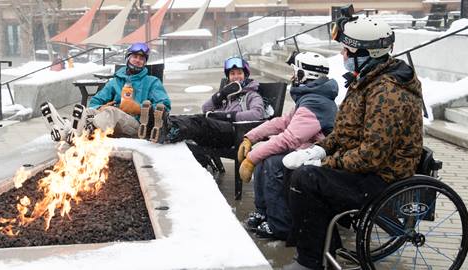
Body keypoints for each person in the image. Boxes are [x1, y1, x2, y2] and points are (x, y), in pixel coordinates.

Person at [282, 11, 424, 270]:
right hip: (368, 171)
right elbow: (345, 133)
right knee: (297, 172)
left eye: (347, 51)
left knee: (306, 180)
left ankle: (310, 262)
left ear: (367, 54)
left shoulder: (387, 92)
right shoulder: (368, 81)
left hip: (384, 179)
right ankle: (325, 249)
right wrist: (317, 150)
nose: (343, 56)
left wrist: (326, 165)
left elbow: (372, 155)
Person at [237, 52, 338, 240]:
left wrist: (252, 157)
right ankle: (264, 211)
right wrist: (251, 137)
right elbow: (283, 122)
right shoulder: (310, 97)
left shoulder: (316, 102)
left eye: (295, 72)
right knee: (264, 157)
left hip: (317, 154)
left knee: (272, 163)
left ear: (304, 75)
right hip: (304, 149)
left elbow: (289, 138)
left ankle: (280, 224)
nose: (292, 77)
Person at [143, 57, 265, 168]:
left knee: (200, 121)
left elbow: (257, 114)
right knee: (193, 118)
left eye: (239, 73)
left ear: (246, 75)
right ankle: (160, 125)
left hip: (233, 134)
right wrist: (221, 94)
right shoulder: (227, 95)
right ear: (228, 77)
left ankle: (169, 130)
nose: (236, 76)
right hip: (216, 131)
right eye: (232, 74)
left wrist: (227, 116)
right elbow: (205, 108)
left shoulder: (251, 95)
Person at [41, 42, 171, 142]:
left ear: (145, 62)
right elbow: (95, 101)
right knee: (87, 111)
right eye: (135, 56)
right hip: (109, 122)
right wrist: (100, 107)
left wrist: (140, 109)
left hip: (137, 126)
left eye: (142, 58)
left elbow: (165, 105)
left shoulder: (152, 82)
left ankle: (83, 130)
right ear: (128, 58)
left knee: (112, 112)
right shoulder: (115, 81)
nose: (138, 60)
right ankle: (64, 130)